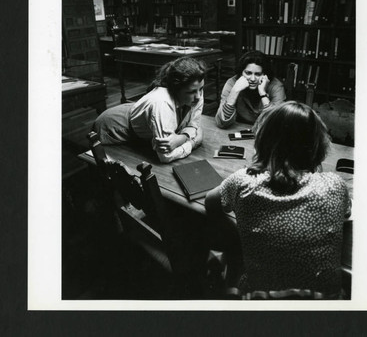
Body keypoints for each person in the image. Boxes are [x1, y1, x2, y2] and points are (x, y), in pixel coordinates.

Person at [205, 101, 352, 297]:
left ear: (263, 141)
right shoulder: (335, 185)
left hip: (262, 301)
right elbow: (345, 214)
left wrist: (239, 238)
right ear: (318, 145)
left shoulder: (242, 181)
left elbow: (210, 202)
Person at [93, 57, 206, 163]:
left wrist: (182, 137)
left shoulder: (195, 89)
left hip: (140, 122)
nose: (198, 96)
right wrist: (192, 142)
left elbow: (193, 124)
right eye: (191, 92)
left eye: (201, 89)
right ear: (176, 89)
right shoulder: (162, 103)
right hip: (114, 127)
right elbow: (166, 156)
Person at [215, 50, 285, 128]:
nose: (252, 79)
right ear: (241, 72)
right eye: (248, 73)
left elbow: (275, 124)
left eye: (258, 74)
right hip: (239, 128)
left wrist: (263, 93)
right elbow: (221, 123)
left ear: (265, 74)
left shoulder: (276, 86)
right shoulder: (232, 83)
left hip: (264, 132)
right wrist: (235, 91)